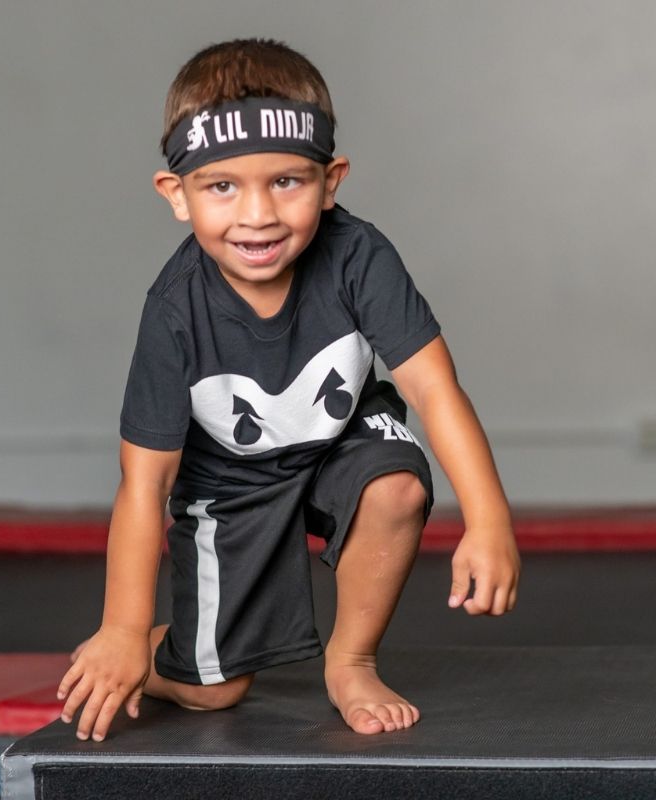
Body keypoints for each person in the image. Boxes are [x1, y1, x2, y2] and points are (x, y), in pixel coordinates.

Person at [57, 37, 520, 741]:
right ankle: (157, 651)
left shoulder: (359, 257)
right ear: (175, 195)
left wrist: (488, 519)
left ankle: (352, 661)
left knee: (395, 485)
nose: (258, 215)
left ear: (331, 181)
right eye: (221, 186)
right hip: (229, 480)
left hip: (339, 439)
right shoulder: (174, 311)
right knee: (214, 694)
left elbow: (434, 388)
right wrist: (121, 628)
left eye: (286, 182)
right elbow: (144, 484)